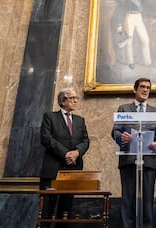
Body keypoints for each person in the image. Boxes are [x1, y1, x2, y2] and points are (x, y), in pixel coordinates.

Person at [112, 78, 156, 228]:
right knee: (128, 198)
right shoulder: (124, 109)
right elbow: (116, 131)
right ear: (135, 89)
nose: (145, 90)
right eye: (142, 87)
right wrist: (122, 137)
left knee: (148, 199)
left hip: (148, 160)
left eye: (148, 88)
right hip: (129, 159)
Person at [39, 88, 90, 225]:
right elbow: (46, 138)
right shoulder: (50, 117)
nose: (75, 101)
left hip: (72, 170)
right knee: (47, 211)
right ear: (62, 101)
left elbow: (86, 141)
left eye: (76, 98)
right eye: (72, 98)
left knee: (66, 211)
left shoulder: (80, 120)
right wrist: (65, 154)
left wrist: (77, 152)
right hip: (52, 170)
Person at [119, 0, 152, 70]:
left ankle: (147, 62)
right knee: (129, 40)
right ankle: (130, 62)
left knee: (145, 40)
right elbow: (121, 2)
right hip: (129, 17)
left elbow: (145, 7)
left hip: (139, 17)